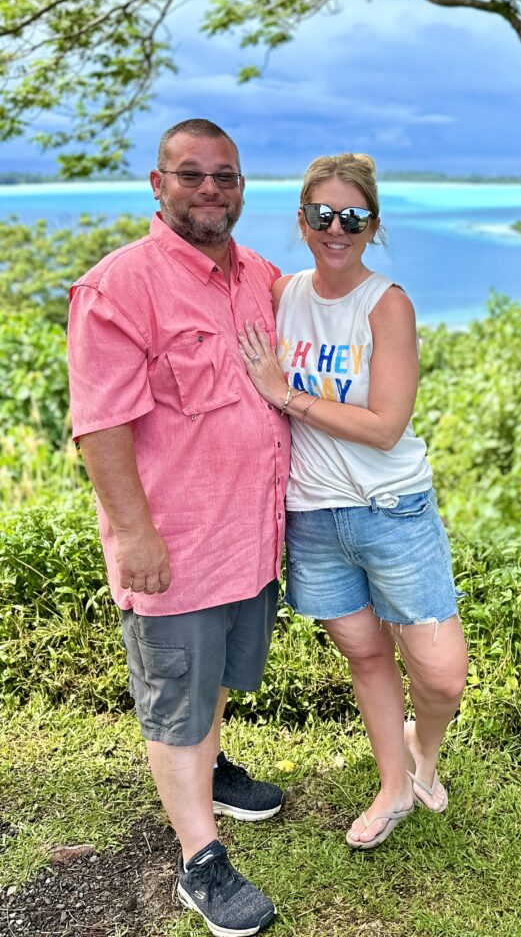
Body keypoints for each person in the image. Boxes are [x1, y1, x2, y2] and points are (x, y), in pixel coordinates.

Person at [67, 119, 289, 936]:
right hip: (177, 549)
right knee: (176, 702)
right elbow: (100, 426)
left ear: (240, 187)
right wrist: (134, 536)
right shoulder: (119, 287)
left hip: (249, 541)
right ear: (157, 187)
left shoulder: (256, 275)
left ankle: (213, 770)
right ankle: (201, 859)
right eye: (189, 175)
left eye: (223, 176)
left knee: (215, 681)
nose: (209, 189)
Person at [238, 152, 468, 851]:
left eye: (353, 216)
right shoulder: (282, 294)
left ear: (373, 225)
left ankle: (421, 753)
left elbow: (385, 426)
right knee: (367, 657)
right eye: (321, 214)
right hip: (312, 514)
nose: (336, 228)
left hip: (392, 508)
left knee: (443, 675)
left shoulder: (386, 303)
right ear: (302, 220)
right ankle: (395, 784)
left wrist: (289, 395)